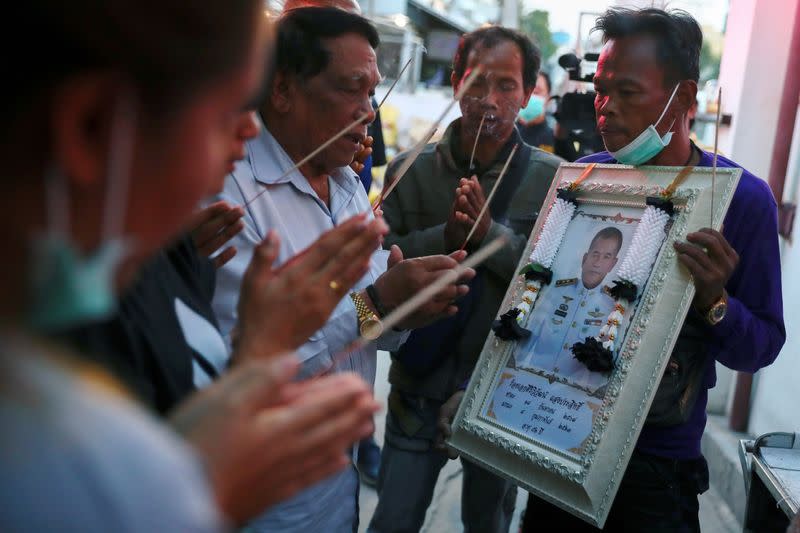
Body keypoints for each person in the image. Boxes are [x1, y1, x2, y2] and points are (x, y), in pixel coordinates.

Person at [0, 1, 381, 530]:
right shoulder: (60, 463)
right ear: (92, 127)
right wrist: (201, 491)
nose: (251, 131)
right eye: (229, 105)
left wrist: (256, 357)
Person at [520, 8, 785, 532]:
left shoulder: (738, 202)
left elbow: (761, 349)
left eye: (628, 92)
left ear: (683, 99)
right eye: (599, 90)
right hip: (558, 438)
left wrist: (715, 302)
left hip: (656, 468)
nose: (605, 109)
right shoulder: (587, 184)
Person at [210, 8, 474, 532]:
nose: (370, 112)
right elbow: (238, 367)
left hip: (338, 487)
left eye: (373, 90)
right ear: (282, 91)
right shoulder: (230, 198)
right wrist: (374, 304)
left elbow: (369, 329)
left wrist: (402, 313)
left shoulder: (349, 186)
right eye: (353, 90)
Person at [370, 26, 563, 533]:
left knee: (489, 523)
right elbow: (377, 270)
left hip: (500, 392)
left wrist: (489, 235)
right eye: (476, 83)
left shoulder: (555, 181)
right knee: (394, 518)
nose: (489, 101)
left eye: (506, 86)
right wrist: (447, 236)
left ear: (528, 92)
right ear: (455, 83)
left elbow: (558, 288)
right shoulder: (408, 171)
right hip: (416, 384)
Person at [515, 227, 621, 393]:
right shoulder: (557, 290)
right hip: (527, 381)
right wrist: (514, 373)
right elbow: (530, 333)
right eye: (595, 254)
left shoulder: (612, 308)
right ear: (585, 258)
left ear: (612, 264)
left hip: (568, 394)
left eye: (606, 256)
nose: (597, 262)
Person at [517, 71, 555, 153]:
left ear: (548, 99)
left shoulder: (555, 139)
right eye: (526, 91)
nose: (529, 96)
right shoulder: (504, 134)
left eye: (536, 92)